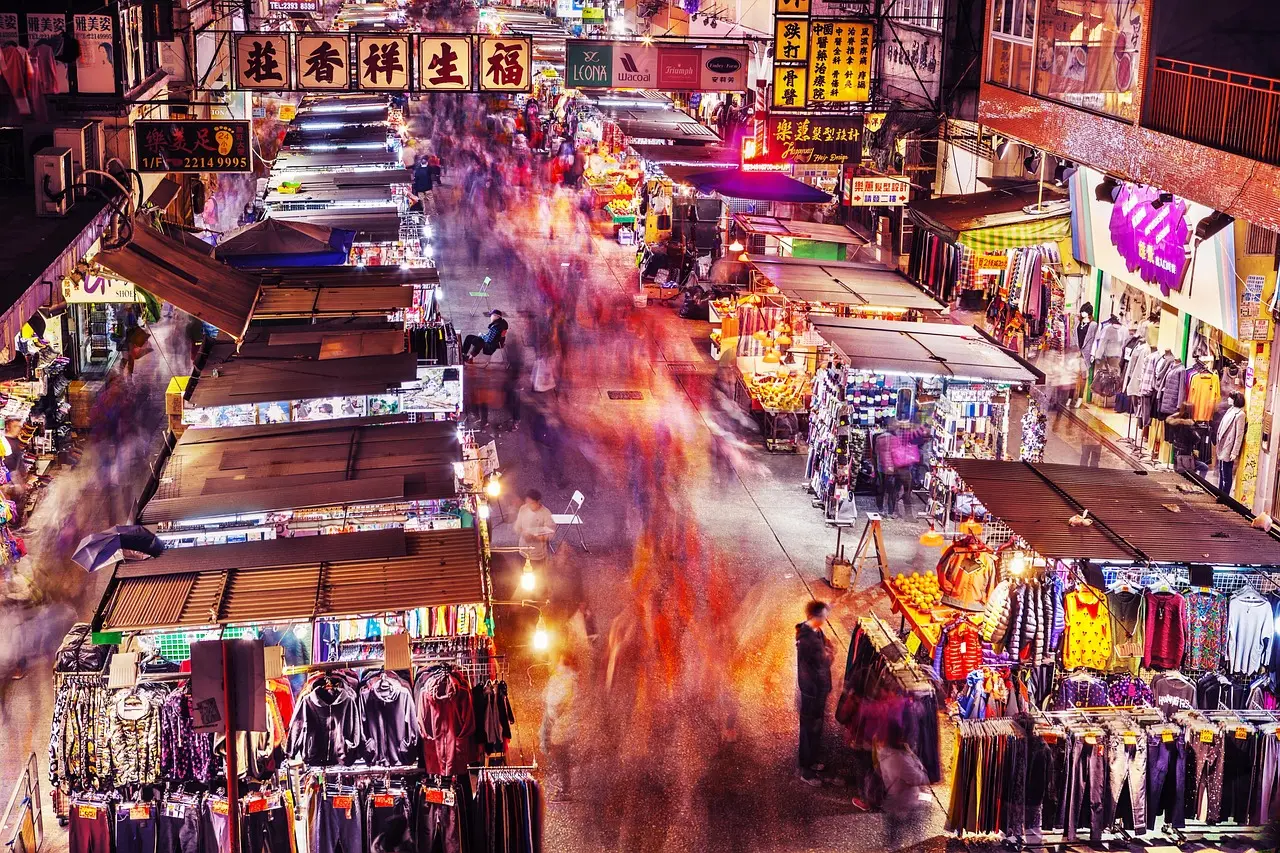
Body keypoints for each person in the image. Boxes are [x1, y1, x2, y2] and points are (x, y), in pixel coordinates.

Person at [876, 720, 933, 851]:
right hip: (906, 802)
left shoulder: (883, 751)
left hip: (892, 802)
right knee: (917, 837)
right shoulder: (899, 759)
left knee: (893, 838)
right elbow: (919, 778)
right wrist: (916, 761)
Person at [796, 599, 834, 786]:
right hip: (812, 690)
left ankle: (812, 760)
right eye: (824, 615)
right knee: (809, 728)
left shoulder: (815, 631)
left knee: (816, 726)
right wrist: (830, 654)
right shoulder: (807, 640)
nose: (826, 618)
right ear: (816, 616)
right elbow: (822, 663)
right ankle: (806, 770)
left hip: (818, 689)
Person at [540, 651, 580, 799]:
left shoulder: (568, 680)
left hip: (562, 725)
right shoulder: (559, 678)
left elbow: (560, 703)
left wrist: (553, 720)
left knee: (562, 757)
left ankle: (565, 790)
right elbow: (547, 697)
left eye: (562, 661)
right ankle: (564, 787)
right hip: (558, 724)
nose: (558, 664)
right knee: (559, 757)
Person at [514, 489, 556, 568]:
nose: (529, 505)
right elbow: (517, 526)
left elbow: (550, 535)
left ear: (538, 502)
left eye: (531, 503)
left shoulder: (546, 514)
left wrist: (535, 537)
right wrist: (523, 532)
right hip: (523, 550)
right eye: (527, 502)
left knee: (538, 574)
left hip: (538, 555)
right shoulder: (523, 508)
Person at [1216, 391, 1247, 492]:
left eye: (1231, 398)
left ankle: (1224, 496)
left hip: (1229, 447)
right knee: (1221, 473)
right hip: (1223, 444)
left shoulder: (1240, 414)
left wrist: (1234, 452)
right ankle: (1219, 493)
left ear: (1235, 400)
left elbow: (1239, 435)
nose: (1228, 399)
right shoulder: (1230, 410)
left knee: (1226, 475)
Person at [1165, 402, 1202, 474]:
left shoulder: (1173, 423)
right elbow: (1196, 439)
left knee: (1178, 470)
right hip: (1186, 455)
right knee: (1204, 468)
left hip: (1176, 453)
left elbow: (1171, 437)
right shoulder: (1188, 426)